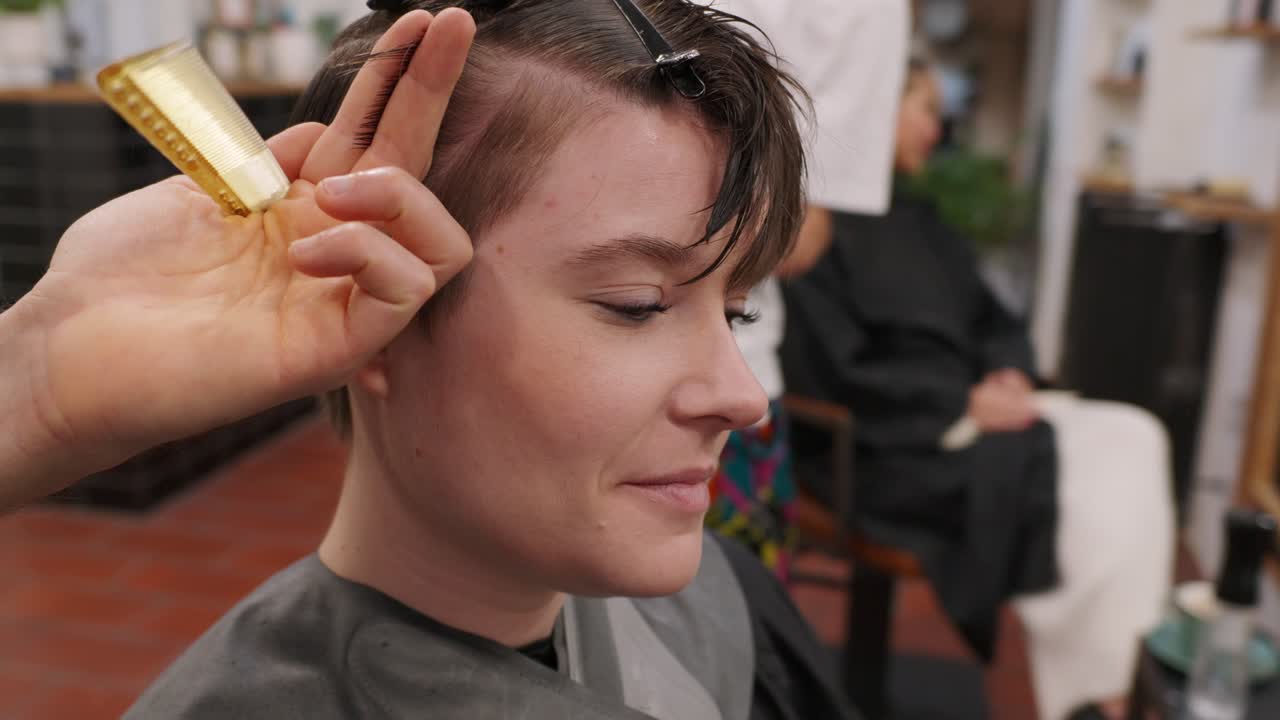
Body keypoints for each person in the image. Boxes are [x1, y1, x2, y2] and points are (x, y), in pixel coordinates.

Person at [1, 2, 862, 718]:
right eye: (636, 305)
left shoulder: (723, 604)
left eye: (738, 309)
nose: (744, 396)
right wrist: (32, 393)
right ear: (381, 312)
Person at [781, 58, 1175, 720]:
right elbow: (834, 373)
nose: (939, 131)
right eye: (927, 110)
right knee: (1080, 491)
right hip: (888, 446)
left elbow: (995, 317)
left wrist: (1008, 372)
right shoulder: (816, 230)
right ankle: (1096, 699)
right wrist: (962, 405)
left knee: (1137, 432)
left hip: (980, 412)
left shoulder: (924, 218)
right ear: (879, 109)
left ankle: (1101, 686)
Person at [703, 0, 910, 580]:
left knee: (734, 638)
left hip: (726, 382)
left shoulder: (858, 12)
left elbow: (801, 234)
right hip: (503, 360)